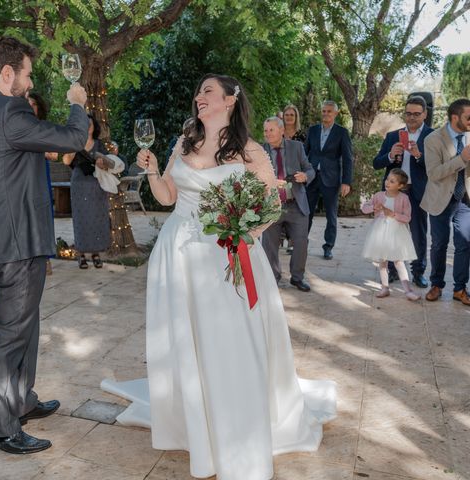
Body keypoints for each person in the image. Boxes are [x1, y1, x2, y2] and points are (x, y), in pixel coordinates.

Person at [104, 74, 336, 480]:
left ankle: (234, 420)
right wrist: (156, 170)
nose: (199, 97)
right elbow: (167, 197)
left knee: (230, 338)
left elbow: (270, 202)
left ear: (230, 100)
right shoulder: (184, 142)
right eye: (197, 92)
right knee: (185, 336)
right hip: (178, 253)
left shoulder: (248, 150)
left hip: (227, 253)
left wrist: (244, 232)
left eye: (207, 91)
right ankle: (193, 422)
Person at [0, 35, 89, 454]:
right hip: (14, 244)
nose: (29, 82)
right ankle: (0, 429)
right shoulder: (9, 108)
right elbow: (72, 139)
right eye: (26, 74)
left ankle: (21, 400)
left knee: (22, 324)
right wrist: (77, 102)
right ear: (7, 73)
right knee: (7, 336)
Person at [373, 96, 433, 288]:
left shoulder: (432, 136)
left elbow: (436, 167)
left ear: (424, 114)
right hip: (393, 193)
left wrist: (418, 156)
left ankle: (418, 272)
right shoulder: (393, 136)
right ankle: (392, 270)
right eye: (408, 113)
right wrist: (391, 155)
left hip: (418, 191)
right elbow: (376, 163)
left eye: (416, 114)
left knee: (418, 233)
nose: (412, 117)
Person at [421, 98, 470, 305]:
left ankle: (460, 289)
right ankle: (436, 285)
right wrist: (462, 159)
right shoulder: (432, 140)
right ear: (455, 117)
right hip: (440, 198)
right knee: (439, 244)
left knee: (465, 243)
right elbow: (433, 174)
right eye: (469, 117)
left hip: (464, 199)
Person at [261, 116, 315, 292]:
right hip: (271, 205)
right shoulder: (260, 151)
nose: (267, 134)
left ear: (282, 130)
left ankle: (297, 277)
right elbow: (252, 176)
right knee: (269, 245)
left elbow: (310, 168)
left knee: (301, 242)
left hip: (295, 203)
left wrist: (305, 176)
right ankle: (272, 278)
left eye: (271, 130)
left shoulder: (296, 147)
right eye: (265, 130)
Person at [62, 114, 113, 269]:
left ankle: (96, 254)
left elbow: (108, 164)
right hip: (79, 185)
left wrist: (102, 162)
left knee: (97, 218)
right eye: (85, 124)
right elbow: (66, 161)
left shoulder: (99, 144)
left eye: (90, 124)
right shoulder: (75, 143)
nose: (88, 126)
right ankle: (81, 255)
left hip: (97, 185)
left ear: (94, 127)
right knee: (81, 219)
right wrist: (73, 146)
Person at [361, 169, 420, 301]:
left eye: (392, 181)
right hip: (380, 232)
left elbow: (407, 217)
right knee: (382, 262)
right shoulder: (378, 195)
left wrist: (393, 214)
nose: (387, 182)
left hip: (397, 234)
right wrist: (373, 208)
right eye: (387, 179)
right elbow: (364, 208)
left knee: (399, 261)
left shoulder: (404, 198)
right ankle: (385, 288)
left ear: (400, 186)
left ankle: (408, 290)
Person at [305, 100, 353, 260]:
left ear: (336, 114)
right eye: (324, 111)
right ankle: (301, 243)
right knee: (306, 213)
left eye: (329, 111)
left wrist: (346, 181)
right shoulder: (312, 130)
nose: (326, 114)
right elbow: (305, 154)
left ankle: (328, 247)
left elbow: (347, 158)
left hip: (331, 179)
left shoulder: (341, 132)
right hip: (311, 178)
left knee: (331, 215)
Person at [27, 91, 55, 275]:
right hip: (21, 178)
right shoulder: (15, 125)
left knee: (43, 216)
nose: (29, 107)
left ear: (39, 108)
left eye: (32, 104)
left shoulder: (43, 127)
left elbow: (53, 154)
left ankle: (45, 259)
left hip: (39, 175)